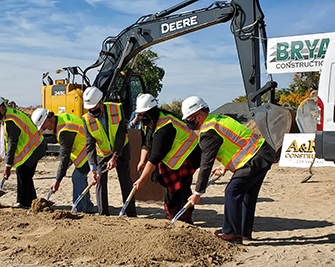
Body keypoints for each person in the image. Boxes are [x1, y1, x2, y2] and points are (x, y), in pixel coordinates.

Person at [182, 96, 275, 244]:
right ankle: (244, 232)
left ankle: (231, 233)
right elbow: (235, 142)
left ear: (198, 116)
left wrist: (197, 193)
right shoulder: (218, 120)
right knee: (247, 194)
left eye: (188, 119)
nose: (188, 123)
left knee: (232, 191)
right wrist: (224, 166)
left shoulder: (208, 132)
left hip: (254, 159)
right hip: (263, 153)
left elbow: (206, 164)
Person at [131, 94, 201, 223]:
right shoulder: (150, 123)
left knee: (179, 188)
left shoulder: (165, 127)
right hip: (174, 155)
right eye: (139, 114)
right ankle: (178, 214)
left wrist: (141, 179)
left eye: (143, 114)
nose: (140, 117)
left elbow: (155, 157)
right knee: (174, 186)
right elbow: (146, 144)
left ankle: (181, 216)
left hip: (189, 154)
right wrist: (142, 160)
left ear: (151, 112)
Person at [81, 87, 136, 217]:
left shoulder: (116, 108)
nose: (92, 112)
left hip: (121, 149)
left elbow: (121, 133)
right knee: (100, 181)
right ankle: (103, 214)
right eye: (90, 109)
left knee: (125, 181)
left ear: (101, 102)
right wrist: (93, 169)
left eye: (94, 108)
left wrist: (115, 157)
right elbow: (89, 145)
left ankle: (131, 213)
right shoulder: (86, 119)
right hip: (102, 153)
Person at [0, 94, 46, 208]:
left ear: (2, 108)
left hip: (36, 147)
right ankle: (33, 202)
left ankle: (24, 202)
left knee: (22, 171)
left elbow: (12, 143)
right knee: (25, 174)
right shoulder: (10, 114)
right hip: (37, 146)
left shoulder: (11, 120)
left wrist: (8, 166)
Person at [31, 108, 95, 213]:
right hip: (84, 150)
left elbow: (64, 157)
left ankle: (78, 208)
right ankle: (87, 206)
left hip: (89, 151)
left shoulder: (64, 130)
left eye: (45, 127)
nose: (46, 129)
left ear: (49, 120)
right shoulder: (60, 119)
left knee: (77, 177)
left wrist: (57, 180)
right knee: (81, 178)